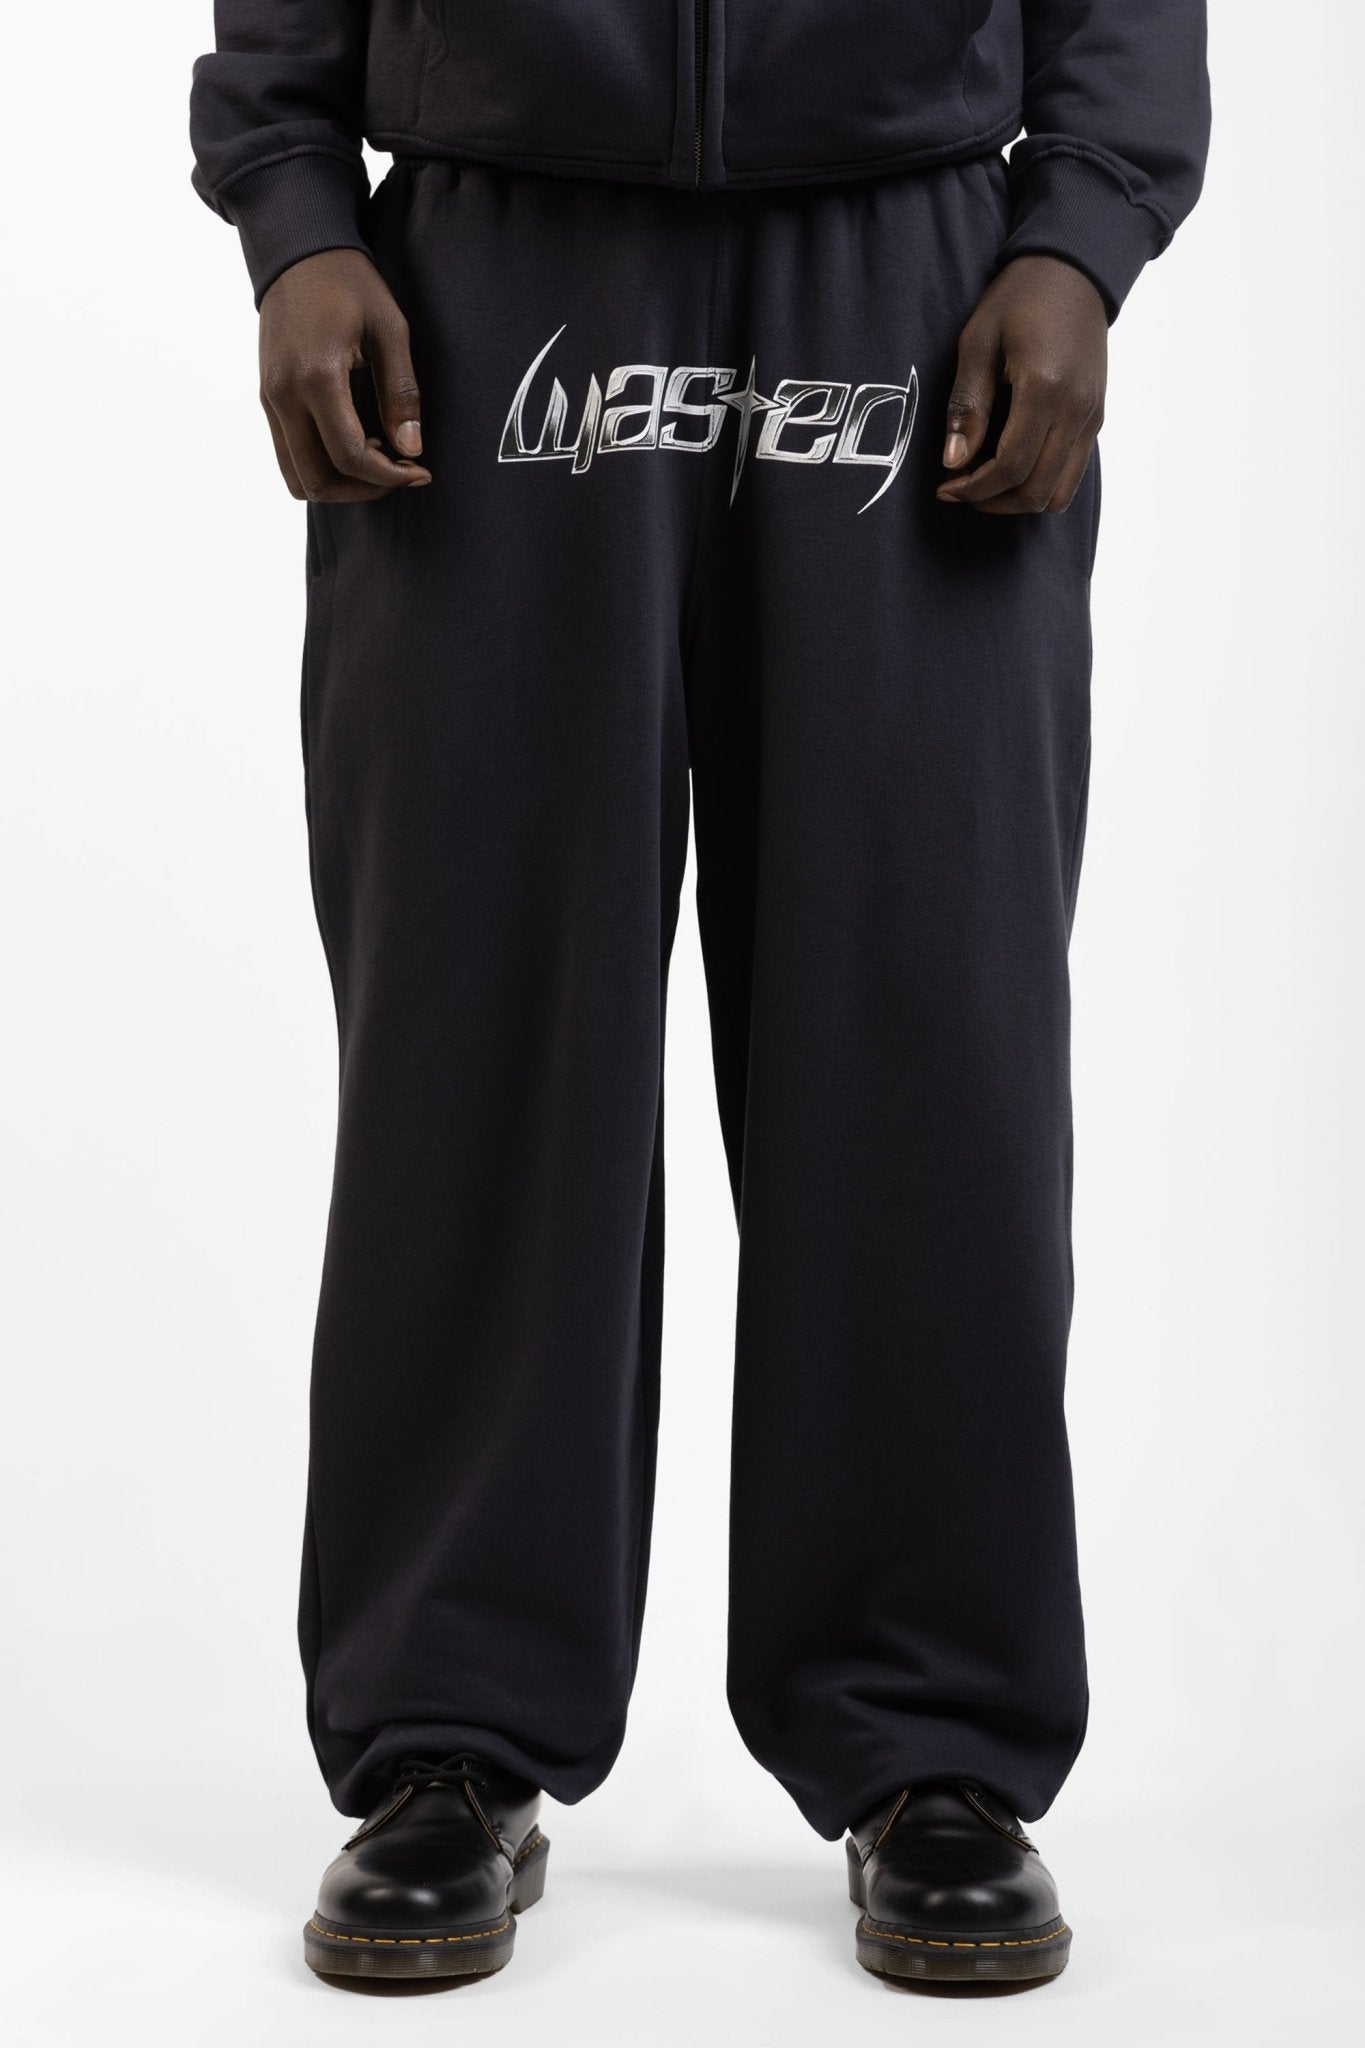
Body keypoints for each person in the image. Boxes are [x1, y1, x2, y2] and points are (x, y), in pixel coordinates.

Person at [190, 0, 1209, 1988]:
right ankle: (447, 1723)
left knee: (927, 1032)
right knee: (474, 1033)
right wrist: (296, 208)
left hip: (912, 264)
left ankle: (931, 1731)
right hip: (487, 263)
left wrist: (1078, 232)